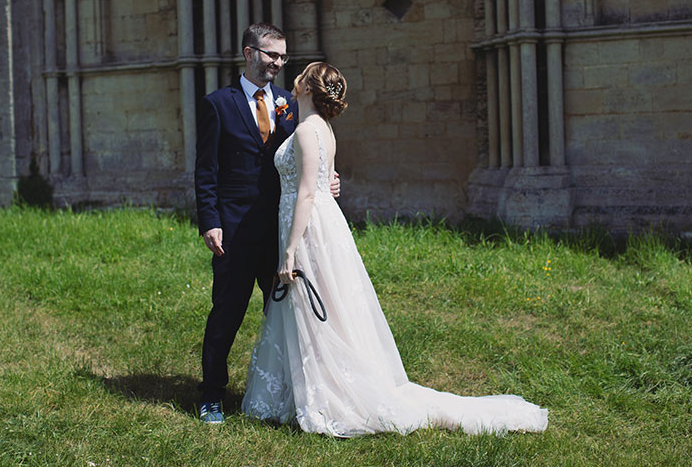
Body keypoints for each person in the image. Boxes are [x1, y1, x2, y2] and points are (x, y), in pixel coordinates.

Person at [241, 62, 549, 436]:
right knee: (321, 307)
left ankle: (329, 395)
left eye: (302, 74)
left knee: (313, 305)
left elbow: (307, 191)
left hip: (307, 228)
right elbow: (323, 182)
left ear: (307, 88)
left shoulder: (307, 131)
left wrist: (289, 252)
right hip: (320, 221)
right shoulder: (324, 130)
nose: (296, 77)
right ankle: (303, 390)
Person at [194, 23, 338, 424]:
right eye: (271, 54)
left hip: (281, 229)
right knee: (227, 312)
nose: (277, 63)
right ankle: (211, 395)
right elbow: (206, 170)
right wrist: (210, 220)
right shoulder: (217, 104)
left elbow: (305, 156)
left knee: (288, 314)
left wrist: (329, 178)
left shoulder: (290, 105)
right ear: (249, 53)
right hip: (235, 230)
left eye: (282, 57)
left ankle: (295, 393)